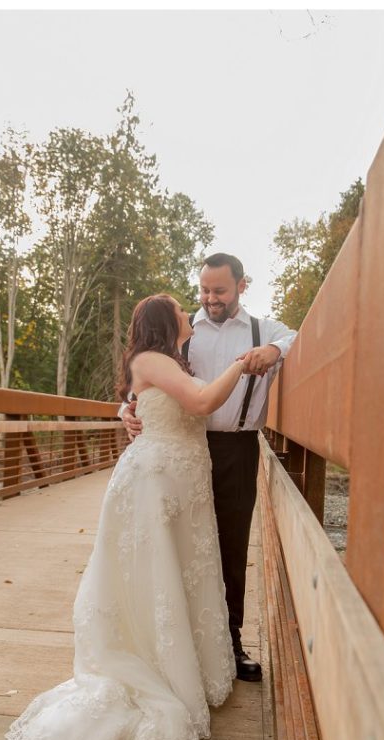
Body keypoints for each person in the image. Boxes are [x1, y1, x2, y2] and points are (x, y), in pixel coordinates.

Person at [7, 294, 255, 740]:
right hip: (153, 483)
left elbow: (157, 399)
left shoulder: (171, 360)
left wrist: (129, 406)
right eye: (182, 310)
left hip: (183, 483)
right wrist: (244, 365)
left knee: (180, 574)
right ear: (168, 323)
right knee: (152, 578)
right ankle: (153, 668)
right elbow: (201, 401)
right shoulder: (153, 359)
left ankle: (187, 664)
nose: (190, 311)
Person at [122, 253, 296, 682]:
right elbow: (142, 381)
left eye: (219, 290)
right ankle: (179, 646)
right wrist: (123, 411)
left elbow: (299, 339)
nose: (209, 298)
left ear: (242, 286)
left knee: (230, 548)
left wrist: (274, 350)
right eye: (203, 290)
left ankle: (229, 643)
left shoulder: (263, 330)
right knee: (181, 548)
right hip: (182, 450)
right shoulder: (181, 331)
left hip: (238, 449)